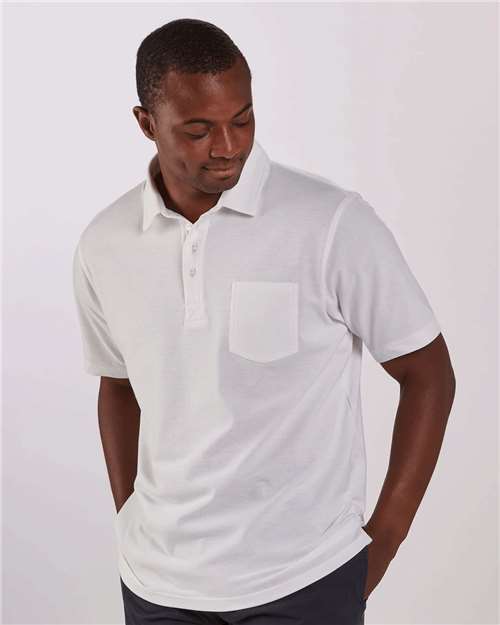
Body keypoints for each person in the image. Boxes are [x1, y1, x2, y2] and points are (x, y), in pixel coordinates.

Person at [72, 17, 456, 625]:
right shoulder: (105, 244)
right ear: (146, 124)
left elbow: (427, 372)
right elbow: (118, 387)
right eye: (198, 130)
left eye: (243, 119)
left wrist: (383, 541)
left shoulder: (330, 223)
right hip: (159, 587)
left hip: (306, 578)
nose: (228, 146)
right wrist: (129, 518)